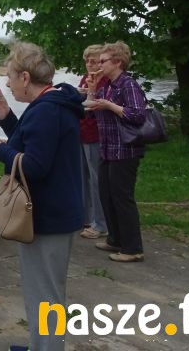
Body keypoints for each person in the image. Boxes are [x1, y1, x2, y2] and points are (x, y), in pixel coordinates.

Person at [0, 42, 84, 351]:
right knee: (46, 292)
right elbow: (34, 142)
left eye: (10, 76)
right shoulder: (53, 103)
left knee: (45, 296)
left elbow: (34, 166)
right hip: (57, 210)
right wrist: (6, 114)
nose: (8, 84)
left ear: (25, 77)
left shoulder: (47, 110)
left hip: (48, 216)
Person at [86, 40, 147, 263]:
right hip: (107, 149)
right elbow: (90, 112)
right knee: (106, 194)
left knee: (122, 198)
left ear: (118, 62)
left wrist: (110, 106)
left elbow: (138, 115)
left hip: (125, 150)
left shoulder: (128, 85)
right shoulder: (108, 86)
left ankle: (133, 248)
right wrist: (92, 91)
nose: (99, 65)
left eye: (103, 61)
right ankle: (115, 239)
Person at [78, 44, 108, 239]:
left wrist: (89, 94)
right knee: (82, 178)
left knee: (97, 180)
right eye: (87, 61)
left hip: (96, 135)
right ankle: (85, 217)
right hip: (81, 133)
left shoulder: (105, 81)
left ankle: (101, 224)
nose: (90, 64)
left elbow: (99, 106)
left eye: (94, 61)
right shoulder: (86, 78)